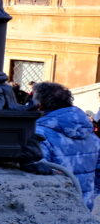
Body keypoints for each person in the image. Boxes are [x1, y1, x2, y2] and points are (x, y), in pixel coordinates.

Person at [33, 81, 100, 210]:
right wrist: (89, 195)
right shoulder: (91, 135)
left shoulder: (39, 135)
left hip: (50, 208)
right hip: (84, 206)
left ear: (39, 106)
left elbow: (37, 177)